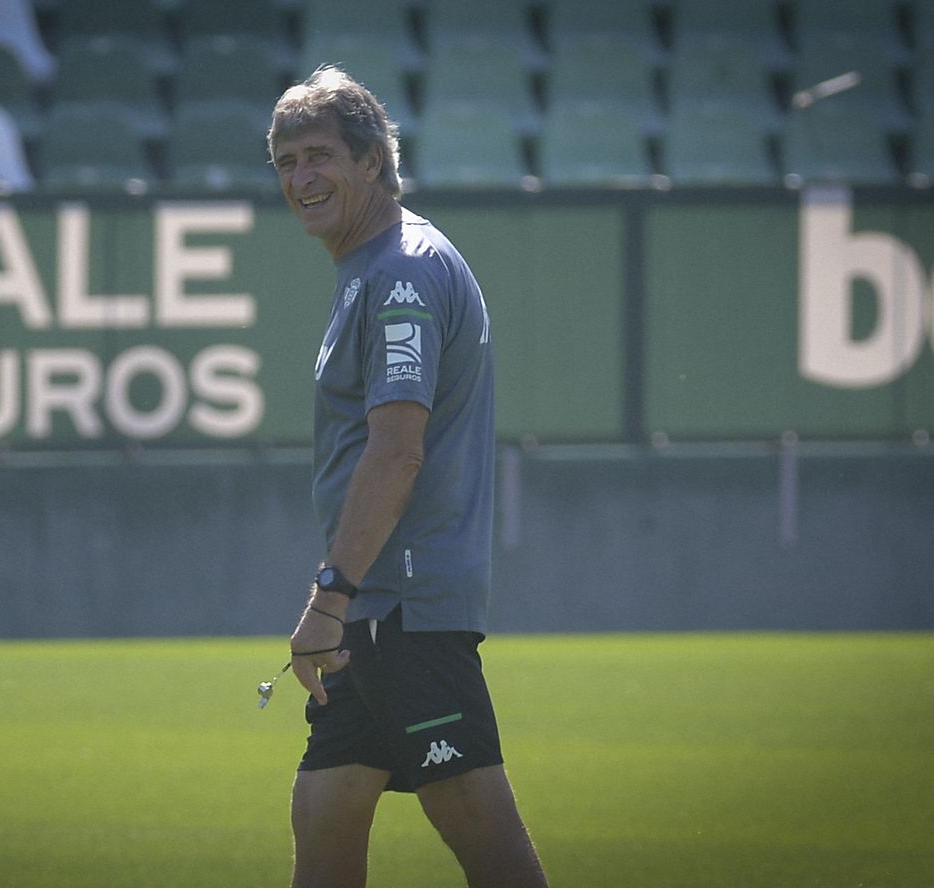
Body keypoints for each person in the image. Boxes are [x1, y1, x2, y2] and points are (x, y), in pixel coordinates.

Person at [268, 66, 552, 888]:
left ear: (372, 162)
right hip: (379, 606)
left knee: (474, 820)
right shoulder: (369, 266)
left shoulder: (400, 272)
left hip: (402, 610)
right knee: (324, 808)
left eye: (319, 155)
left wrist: (330, 596)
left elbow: (396, 450)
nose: (301, 178)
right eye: (285, 162)